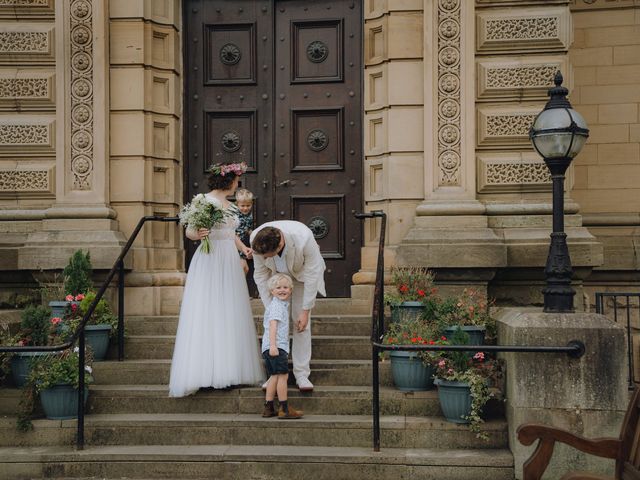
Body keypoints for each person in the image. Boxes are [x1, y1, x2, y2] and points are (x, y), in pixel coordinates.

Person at [169, 162, 264, 397]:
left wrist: (245, 249)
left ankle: (229, 370)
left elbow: (230, 234)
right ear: (227, 181)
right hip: (210, 259)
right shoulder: (204, 200)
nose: (237, 185)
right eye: (236, 181)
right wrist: (197, 233)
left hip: (229, 259)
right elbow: (190, 230)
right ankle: (204, 371)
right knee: (208, 309)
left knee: (229, 310)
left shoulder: (230, 206)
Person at [251, 221, 326, 392]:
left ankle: (301, 374)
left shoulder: (304, 238)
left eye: (268, 255)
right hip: (275, 278)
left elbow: (313, 274)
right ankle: (274, 374)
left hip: (302, 276)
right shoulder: (256, 238)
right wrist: (271, 309)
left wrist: (305, 311)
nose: (265, 259)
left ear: (280, 245)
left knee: (301, 323)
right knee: (274, 325)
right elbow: (261, 274)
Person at [261, 273, 303, 419]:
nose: (282, 290)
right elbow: (272, 327)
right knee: (283, 377)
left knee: (273, 376)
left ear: (290, 290)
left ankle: (269, 407)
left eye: (285, 287)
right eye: (278, 287)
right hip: (276, 347)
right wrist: (273, 346)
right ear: (272, 291)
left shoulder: (277, 305)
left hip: (270, 347)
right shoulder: (277, 307)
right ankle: (284, 408)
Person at [234, 188, 258, 297]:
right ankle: (238, 293)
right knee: (244, 268)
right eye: (242, 206)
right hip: (236, 244)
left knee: (246, 268)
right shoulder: (235, 215)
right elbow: (233, 233)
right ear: (237, 204)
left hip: (245, 241)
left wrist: (253, 234)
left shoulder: (249, 215)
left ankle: (240, 292)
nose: (245, 208)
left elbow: (247, 229)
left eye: (248, 205)